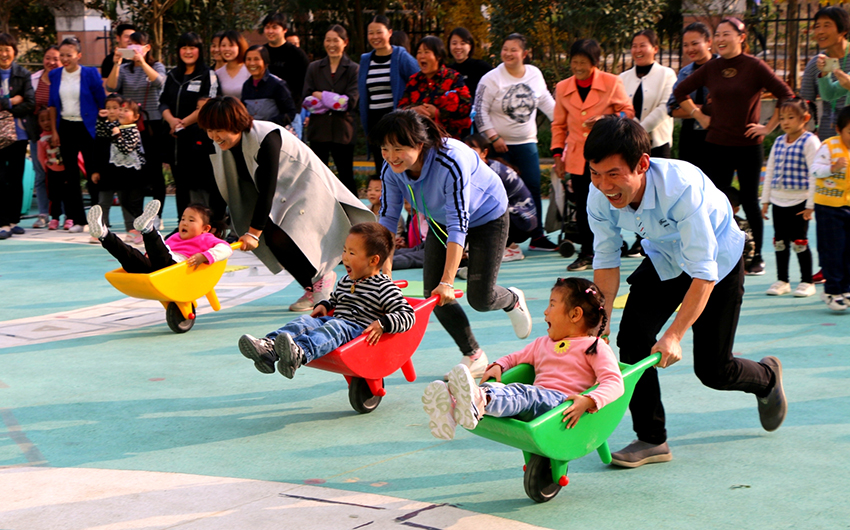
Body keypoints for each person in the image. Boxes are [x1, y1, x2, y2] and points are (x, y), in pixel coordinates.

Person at [585, 116, 786, 468]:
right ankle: (651, 439)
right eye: (595, 173)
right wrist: (600, 325)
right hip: (664, 256)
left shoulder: (681, 189)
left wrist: (675, 334)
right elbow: (606, 260)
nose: (604, 185)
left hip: (716, 263)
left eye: (614, 174)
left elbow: (703, 272)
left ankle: (767, 378)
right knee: (631, 339)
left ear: (642, 164)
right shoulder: (599, 195)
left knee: (713, 371)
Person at [373, 109, 533, 378]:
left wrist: (448, 280)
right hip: (440, 220)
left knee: (481, 298)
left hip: (486, 215)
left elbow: (459, 222)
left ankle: (512, 299)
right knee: (434, 295)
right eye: (385, 149)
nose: (390, 156)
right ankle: (474, 355)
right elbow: (388, 219)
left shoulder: (451, 159)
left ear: (419, 144)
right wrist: (384, 273)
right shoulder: (392, 169)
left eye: (398, 148)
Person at [198, 96, 375, 312]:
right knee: (272, 238)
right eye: (209, 130)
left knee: (285, 234)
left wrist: (253, 233)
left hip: (304, 183)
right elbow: (221, 184)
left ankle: (322, 277)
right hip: (278, 191)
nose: (213, 136)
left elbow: (267, 189)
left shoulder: (266, 136)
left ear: (235, 123)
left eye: (218, 130)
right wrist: (214, 224)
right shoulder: (221, 145)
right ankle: (311, 286)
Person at [422, 277, 624, 440]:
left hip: (561, 407)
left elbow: (615, 382)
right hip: (538, 402)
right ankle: (453, 406)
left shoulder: (595, 347)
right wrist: (499, 365)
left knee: (524, 393)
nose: (545, 311)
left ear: (575, 314)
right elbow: (515, 357)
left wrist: (588, 400)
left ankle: (478, 400)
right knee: (508, 391)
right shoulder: (542, 343)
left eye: (552, 305)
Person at [673, 17, 794, 276]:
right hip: (716, 144)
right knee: (715, 201)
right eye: (717, 34)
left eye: (726, 34)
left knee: (750, 201)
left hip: (749, 145)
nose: (720, 39)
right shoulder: (712, 67)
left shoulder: (755, 66)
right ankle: (719, 253)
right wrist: (699, 115)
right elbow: (680, 92)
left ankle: (757, 256)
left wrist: (769, 126)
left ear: (741, 37)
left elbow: (786, 94)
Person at [238, 222, 415, 377]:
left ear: (373, 260)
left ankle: (300, 352)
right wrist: (325, 304)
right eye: (345, 250)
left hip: (357, 332)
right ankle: (269, 347)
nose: (345, 257)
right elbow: (336, 300)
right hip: (335, 320)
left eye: (352, 253)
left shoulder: (384, 287)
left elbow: (408, 314)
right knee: (305, 321)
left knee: (335, 327)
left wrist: (383, 323)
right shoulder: (347, 280)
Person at [551, 38, 634, 270]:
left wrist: (607, 120)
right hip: (578, 158)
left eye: (583, 63)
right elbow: (558, 125)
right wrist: (558, 156)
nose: (578, 67)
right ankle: (587, 252)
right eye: (574, 62)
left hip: (607, 154)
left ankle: (614, 245)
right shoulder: (562, 87)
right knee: (585, 205)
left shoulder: (611, 82)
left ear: (595, 63)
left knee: (613, 202)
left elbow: (628, 112)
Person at [475, 33, 557, 251]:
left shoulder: (535, 74)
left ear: (524, 53)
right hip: (497, 144)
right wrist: (494, 137)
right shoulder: (491, 78)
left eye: (514, 49)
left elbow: (547, 102)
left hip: (527, 142)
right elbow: (480, 113)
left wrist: (565, 123)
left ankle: (537, 236)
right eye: (505, 49)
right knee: (499, 190)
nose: (508, 54)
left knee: (532, 187)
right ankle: (502, 238)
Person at [618, 30, 677, 259]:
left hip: (657, 142)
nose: (638, 50)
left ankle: (661, 239)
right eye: (634, 45)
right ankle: (640, 239)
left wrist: (640, 128)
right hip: (631, 145)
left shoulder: (667, 74)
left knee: (659, 193)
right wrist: (630, 130)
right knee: (636, 192)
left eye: (643, 45)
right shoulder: (623, 77)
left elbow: (665, 107)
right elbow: (621, 108)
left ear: (655, 48)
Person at [760, 98, 819, 298]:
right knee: (780, 241)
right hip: (778, 200)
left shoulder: (810, 141)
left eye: (791, 117)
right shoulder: (778, 141)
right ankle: (782, 280)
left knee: (800, 241)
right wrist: (765, 200)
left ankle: (806, 281)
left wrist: (810, 204)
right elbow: (770, 172)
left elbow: (815, 174)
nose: (785, 122)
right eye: (782, 118)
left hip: (800, 202)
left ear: (805, 118)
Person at [105, 31, 167, 220]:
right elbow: (111, 87)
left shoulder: (156, 66)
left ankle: (157, 215)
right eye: (130, 45)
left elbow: (160, 82)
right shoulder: (124, 68)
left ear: (147, 48)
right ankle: (138, 216)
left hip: (152, 124)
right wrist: (116, 63)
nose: (133, 49)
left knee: (155, 170)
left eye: (137, 45)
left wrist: (143, 62)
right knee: (135, 171)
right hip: (130, 126)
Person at [159, 32, 219, 221]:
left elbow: (208, 103)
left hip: (197, 140)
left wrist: (183, 123)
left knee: (200, 185)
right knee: (181, 184)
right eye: (184, 47)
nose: (188, 51)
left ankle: (205, 227)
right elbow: (163, 102)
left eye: (192, 47)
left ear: (199, 50)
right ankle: (182, 224)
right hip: (175, 139)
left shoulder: (208, 75)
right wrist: (171, 121)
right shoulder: (172, 75)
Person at [48, 36, 106, 229]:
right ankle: (78, 219)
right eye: (62, 55)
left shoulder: (90, 73)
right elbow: (52, 106)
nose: (65, 59)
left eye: (69, 55)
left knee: (93, 173)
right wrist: (55, 131)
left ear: (79, 55)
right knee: (71, 176)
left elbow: (101, 101)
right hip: (65, 126)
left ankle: (98, 219)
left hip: (88, 127)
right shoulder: (55, 74)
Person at [87, 199, 232, 273]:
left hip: (177, 268)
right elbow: (159, 248)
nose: (185, 223)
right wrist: (147, 255)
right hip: (157, 267)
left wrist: (205, 256)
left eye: (191, 220)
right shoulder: (175, 237)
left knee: (161, 256)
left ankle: (148, 230)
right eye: (182, 219)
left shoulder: (206, 239)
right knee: (130, 256)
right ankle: (104, 235)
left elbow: (226, 249)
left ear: (205, 228)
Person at [358, 15, 419, 176]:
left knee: (400, 164)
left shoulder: (400, 56)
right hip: (374, 122)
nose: (375, 36)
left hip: (396, 121)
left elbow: (418, 81)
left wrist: (409, 108)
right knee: (382, 167)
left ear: (389, 32)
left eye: (379, 32)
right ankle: (385, 200)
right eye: (371, 33)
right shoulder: (366, 60)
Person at [302, 24, 360, 195]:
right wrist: (333, 100)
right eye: (328, 40)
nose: (332, 44)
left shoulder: (353, 69)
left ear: (345, 42)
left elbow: (349, 102)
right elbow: (307, 101)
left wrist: (321, 95)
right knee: (317, 176)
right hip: (319, 130)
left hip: (343, 131)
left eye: (336, 40)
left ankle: (354, 217)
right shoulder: (314, 68)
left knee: (346, 176)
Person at [464, 133, 537, 263]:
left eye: (472, 150)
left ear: (484, 152)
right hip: (514, 216)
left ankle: (510, 248)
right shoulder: (479, 168)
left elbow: (481, 205)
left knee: (479, 211)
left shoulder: (491, 172)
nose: (467, 155)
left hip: (521, 220)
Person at [809, 105, 850, 311]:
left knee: (848, 251)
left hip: (848, 206)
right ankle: (832, 291)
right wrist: (832, 168)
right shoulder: (829, 146)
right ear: (838, 129)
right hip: (829, 208)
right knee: (833, 250)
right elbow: (815, 170)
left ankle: (846, 288)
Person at [667, 22, 718, 173]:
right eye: (686, 45)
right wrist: (703, 110)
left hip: (717, 135)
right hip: (690, 138)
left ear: (709, 42)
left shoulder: (722, 67)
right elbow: (672, 109)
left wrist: (688, 107)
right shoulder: (685, 73)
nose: (690, 49)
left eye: (695, 43)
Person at [93, 97, 146, 240]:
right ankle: (129, 230)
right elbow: (101, 132)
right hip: (119, 171)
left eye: (125, 110)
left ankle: (141, 229)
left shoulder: (133, 130)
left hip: (134, 173)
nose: (120, 112)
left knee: (132, 202)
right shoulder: (116, 126)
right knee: (121, 201)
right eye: (120, 110)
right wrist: (101, 118)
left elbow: (126, 149)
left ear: (136, 117)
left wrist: (116, 133)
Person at [398, 36, 472, 140]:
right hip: (419, 140)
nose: (421, 56)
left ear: (438, 56)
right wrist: (412, 110)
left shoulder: (453, 78)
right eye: (419, 52)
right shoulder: (414, 80)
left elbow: (466, 106)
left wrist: (438, 113)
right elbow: (400, 108)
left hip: (448, 140)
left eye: (426, 52)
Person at [0, 32, 35, 240]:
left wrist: (4, 105)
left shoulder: (23, 73)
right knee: (0, 178)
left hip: (19, 134)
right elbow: (20, 102)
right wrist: (12, 101)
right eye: (0, 49)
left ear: (14, 51)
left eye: (7, 49)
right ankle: (2, 221)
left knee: (15, 178)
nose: (4, 54)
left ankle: (13, 221)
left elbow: (30, 103)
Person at [801, 6, 850, 142]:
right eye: (817, 26)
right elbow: (806, 103)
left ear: (843, 30)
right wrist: (806, 132)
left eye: (827, 25)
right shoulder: (815, 64)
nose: (820, 31)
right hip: (828, 137)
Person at [27, 45, 61, 228]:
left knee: (62, 174)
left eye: (56, 58)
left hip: (61, 135)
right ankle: (43, 214)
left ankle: (64, 214)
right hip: (38, 136)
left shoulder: (64, 78)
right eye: (48, 58)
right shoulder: (33, 79)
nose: (51, 62)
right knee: (41, 173)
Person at [241, 45, 296, 129]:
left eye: (256, 59)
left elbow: (290, 112)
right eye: (248, 59)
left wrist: (269, 124)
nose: (252, 63)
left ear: (266, 62)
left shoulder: (277, 84)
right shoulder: (246, 86)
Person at [261, 12, 310, 107]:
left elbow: (307, 82)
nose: (270, 31)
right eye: (267, 27)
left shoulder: (297, 54)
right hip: (265, 109)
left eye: (275, 27)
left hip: (291, 109)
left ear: (284, 30)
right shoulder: (261, 52)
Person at [35, 109, 69, 230]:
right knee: (54, 196)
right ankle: (55, 218)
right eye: (42, 120)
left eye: (49, 119)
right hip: (52, 170)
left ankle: (68, 217)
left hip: (65, 169)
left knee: (67, 194)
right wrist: (47, 167)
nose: (46, 122)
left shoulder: (61, 134)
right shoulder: (41, 140)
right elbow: (41, 156)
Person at [447, 27, 492, 105]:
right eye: (454, 43)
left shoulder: (481, 67)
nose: (458, 47)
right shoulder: (447, 70)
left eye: (463, 43)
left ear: (470, 46)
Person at [215, 30, 250, 99]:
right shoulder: (218, 73)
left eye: (231, 45)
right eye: (223, 45)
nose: (227, 49)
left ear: (240, 46)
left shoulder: (249, 70)